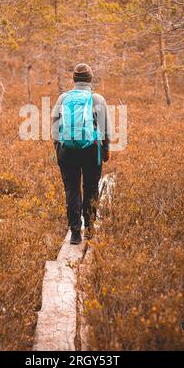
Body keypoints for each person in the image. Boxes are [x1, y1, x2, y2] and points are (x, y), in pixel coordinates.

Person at [52, 63, 111, 245]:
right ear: (90, 79)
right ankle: (91, 230)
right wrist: (106, 149)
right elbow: (105, 128)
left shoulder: (63, 98)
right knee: (91, 189)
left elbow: (54, 126)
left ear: (74, 80)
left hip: (67, 150)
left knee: (72, 190)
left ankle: (75, 232)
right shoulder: (97, 99)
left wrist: (58, 147)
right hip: (91, 150)